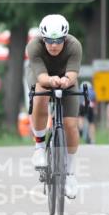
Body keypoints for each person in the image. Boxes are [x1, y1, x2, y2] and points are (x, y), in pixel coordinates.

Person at [27, 14, 83, 199]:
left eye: (58, 40)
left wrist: (66, 80)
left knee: (70, 125)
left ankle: (70, 174)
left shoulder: (74, 45)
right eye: (49, 41)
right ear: (43, 39)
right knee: (41, 94)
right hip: (41, 76)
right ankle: (39, 147)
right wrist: (51, 80)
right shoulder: (34, 46)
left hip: (66, 79)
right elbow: (42, 77)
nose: (53, 45)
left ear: (65, 38)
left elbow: (72, 74)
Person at [78, 80, 97, 144]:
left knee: (81, 117)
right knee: (91, 123)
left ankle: (80, 128)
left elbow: (78, 100)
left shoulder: (80, 90)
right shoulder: (92, 92)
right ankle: (92, 139)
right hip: (90, 105)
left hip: (82, 105)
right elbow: (95, 100)